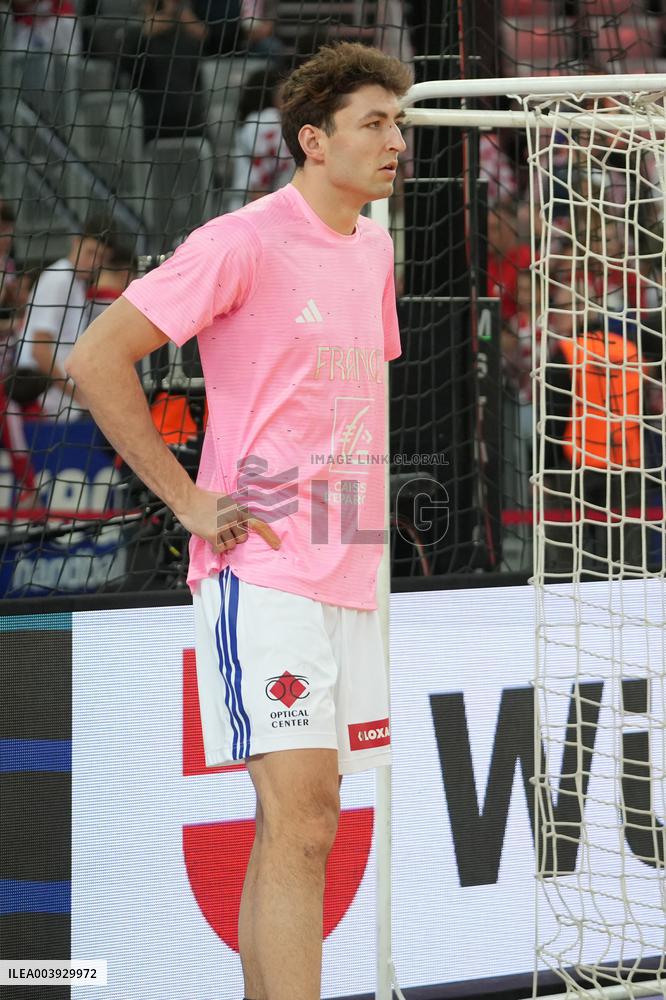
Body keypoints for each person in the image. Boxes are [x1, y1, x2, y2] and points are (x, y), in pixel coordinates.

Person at [66, 41, 410, 1000]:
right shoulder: (242, 239)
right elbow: (94, 359)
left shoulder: (375, 247)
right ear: (313, 141)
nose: (396, 141)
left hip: (351, 566)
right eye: (375, 123)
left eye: (398, 123)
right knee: (302, 818)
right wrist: (187, 499)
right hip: (261, 570)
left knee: (303, 824)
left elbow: (344, 403)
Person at [14, 215, 111, 420]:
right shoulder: (59, 279)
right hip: (41, 392)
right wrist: (78, 396)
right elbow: (39, 350)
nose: (94, 262)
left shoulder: (75, 282)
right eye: (90, 252)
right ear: (76, 242)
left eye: (100, 257)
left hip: (59, 392)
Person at [120, 0, 207, 143]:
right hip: (154, 123)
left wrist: (193, 27)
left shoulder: (185, 36)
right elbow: (124, 66)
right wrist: (144, 34)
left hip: (190, 122)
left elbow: (200, 71)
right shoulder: (138, 36)